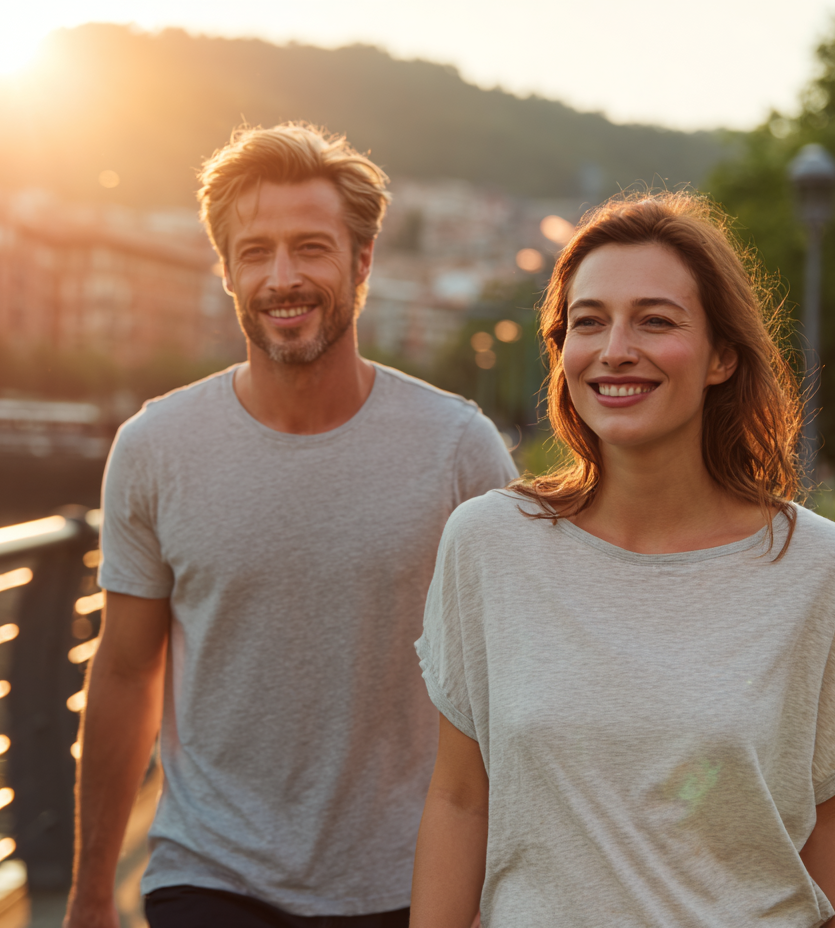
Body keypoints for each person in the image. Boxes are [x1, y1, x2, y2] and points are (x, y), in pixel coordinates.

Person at [63, 123, 517, 928]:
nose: (283, 278)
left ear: (362, 261)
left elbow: (509, 684)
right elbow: (127, 671)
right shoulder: (155, 448)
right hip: (209, 872)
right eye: (255, 252)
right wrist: (91, 893)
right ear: (226, 270)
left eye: (311, 248)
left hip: (407, 882)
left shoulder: (459, 449)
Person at [410, 193, 835, 927]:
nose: (615, 349)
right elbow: (459, 800)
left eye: (655, 321)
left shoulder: (819, 567)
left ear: (722, 357)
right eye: (588, 321)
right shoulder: (487, 543)